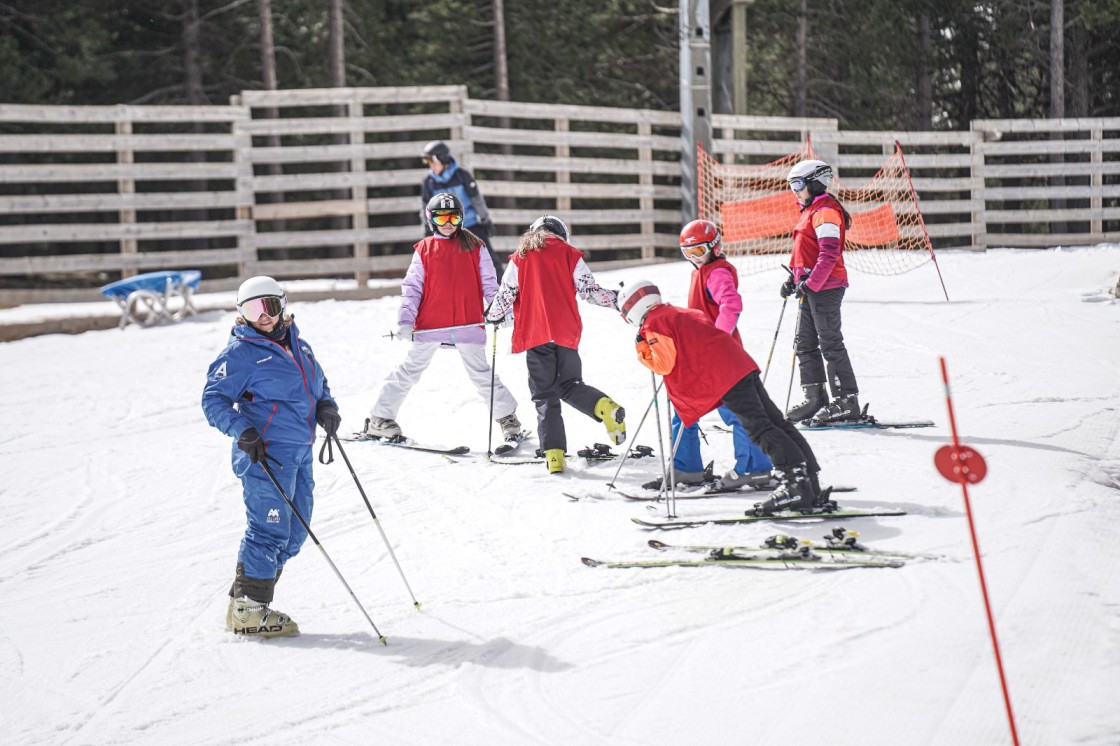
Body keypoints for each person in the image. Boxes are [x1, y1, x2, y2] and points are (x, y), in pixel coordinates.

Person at [202, 276, 341, 638]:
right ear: (242, 314)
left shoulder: (300, 345)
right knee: (269, 530)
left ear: (283, 305)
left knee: (295, 533)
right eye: (253, 310)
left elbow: (319, 386)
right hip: (265, 455)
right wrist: (242, 430)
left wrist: (327, 406)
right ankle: (250, 608)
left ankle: (244, 598)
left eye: (270, 307)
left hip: (300, 453)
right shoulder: (240, 354)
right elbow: (213, 399)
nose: (263, 317)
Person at [616, 279, 828, 515]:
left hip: (724, 376)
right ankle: (808, 483)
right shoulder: (677, 312)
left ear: (631, 308)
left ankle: (794, 484)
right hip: (741, 365)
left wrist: (643, 349)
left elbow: (664, 364)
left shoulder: (655, 322)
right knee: (775, 422)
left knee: (759, 427)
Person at [364, 192, 522, 444]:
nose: (448, 223)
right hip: (430, 324)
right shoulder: (424, 249)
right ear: (431, 219)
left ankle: (507, 418)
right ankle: (380, 418)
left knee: (482, 374)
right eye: (441, 217)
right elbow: (412, 288)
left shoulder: (476, 247)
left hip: (467, 324)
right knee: (409, 371)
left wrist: (500, 311)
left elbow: (490, 285)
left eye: (453, 216)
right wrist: (406, 321)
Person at [485, 215, 626, 474]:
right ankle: (604, 407)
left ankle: (554, 457)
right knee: (570, 385)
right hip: (566, 333)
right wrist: (621, 300)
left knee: (544, 395)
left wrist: (492, 315)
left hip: (536, 335)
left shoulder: (521, 257)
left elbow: (506, 294)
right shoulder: (570, 254)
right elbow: (590, 292)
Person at [654, 219, 774, 491]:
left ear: (715, 247)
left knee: (736, 412)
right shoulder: (701, 272)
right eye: (687, 253)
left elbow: (731, 305)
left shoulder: (717, 272)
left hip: (720, 358)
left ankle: (755, 468)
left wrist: (718, 340)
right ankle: (687, 468)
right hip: (701, 356)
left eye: (698, 252)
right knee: (684, 408)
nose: (694, 259)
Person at [781, 159, 861, 424]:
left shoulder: (826, 212)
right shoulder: (811, 210)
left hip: (827, 288)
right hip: (813, 287)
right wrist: (795, 279)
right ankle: (815, 397)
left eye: (798, 184)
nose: (795, 190)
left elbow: (828, 255)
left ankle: (846, 400)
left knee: (830, 343)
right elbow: (807, 254)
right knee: (804, 343)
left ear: (815, 183)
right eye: (792, 185)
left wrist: (811, 283)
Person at [420, 140, 496, 268]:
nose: (430, 165)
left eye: (431, 161)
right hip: (445, 228)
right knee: (440, 263)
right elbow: (425, 207)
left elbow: (477, 200)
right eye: (427, 162)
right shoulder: (429, 182)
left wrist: (486, 220)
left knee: (488, 258)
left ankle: (498, 286)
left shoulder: (462, 176)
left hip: (469, 225)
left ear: (442, 159)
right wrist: (428, 228)